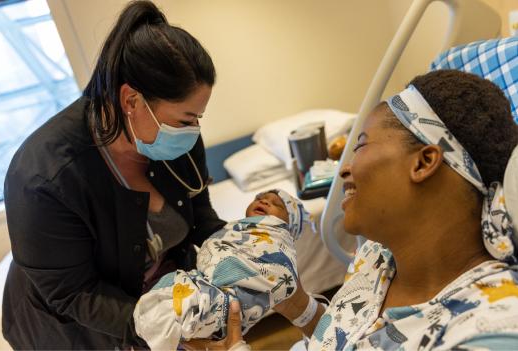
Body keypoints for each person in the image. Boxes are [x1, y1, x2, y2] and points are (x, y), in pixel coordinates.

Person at [190, 70, 518, 350]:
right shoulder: (376, 258)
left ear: (424, 161)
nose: (344, 169)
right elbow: (346, 337)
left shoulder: (490, 329)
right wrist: (296, 304)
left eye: (360, 145)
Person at [1, 1, 226, 349]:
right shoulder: (44, 179)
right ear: (131, 101)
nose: (194, 131)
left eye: (197, 118)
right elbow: (74, 293)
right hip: (73, 329)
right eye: (185, 120)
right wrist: (159, 328)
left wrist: (242, 245)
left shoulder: (174, 141)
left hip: (151, 305)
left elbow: (200, 216)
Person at [134, 189, 315, 350]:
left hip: (227, 300)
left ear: (289, 225)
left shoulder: (278, 238)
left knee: (177, 312)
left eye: (277, 205)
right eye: (260, 197)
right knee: (167, 308)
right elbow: (216, 244)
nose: (265, 201)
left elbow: (281, 275)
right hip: (205, 284)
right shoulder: (236, 229)